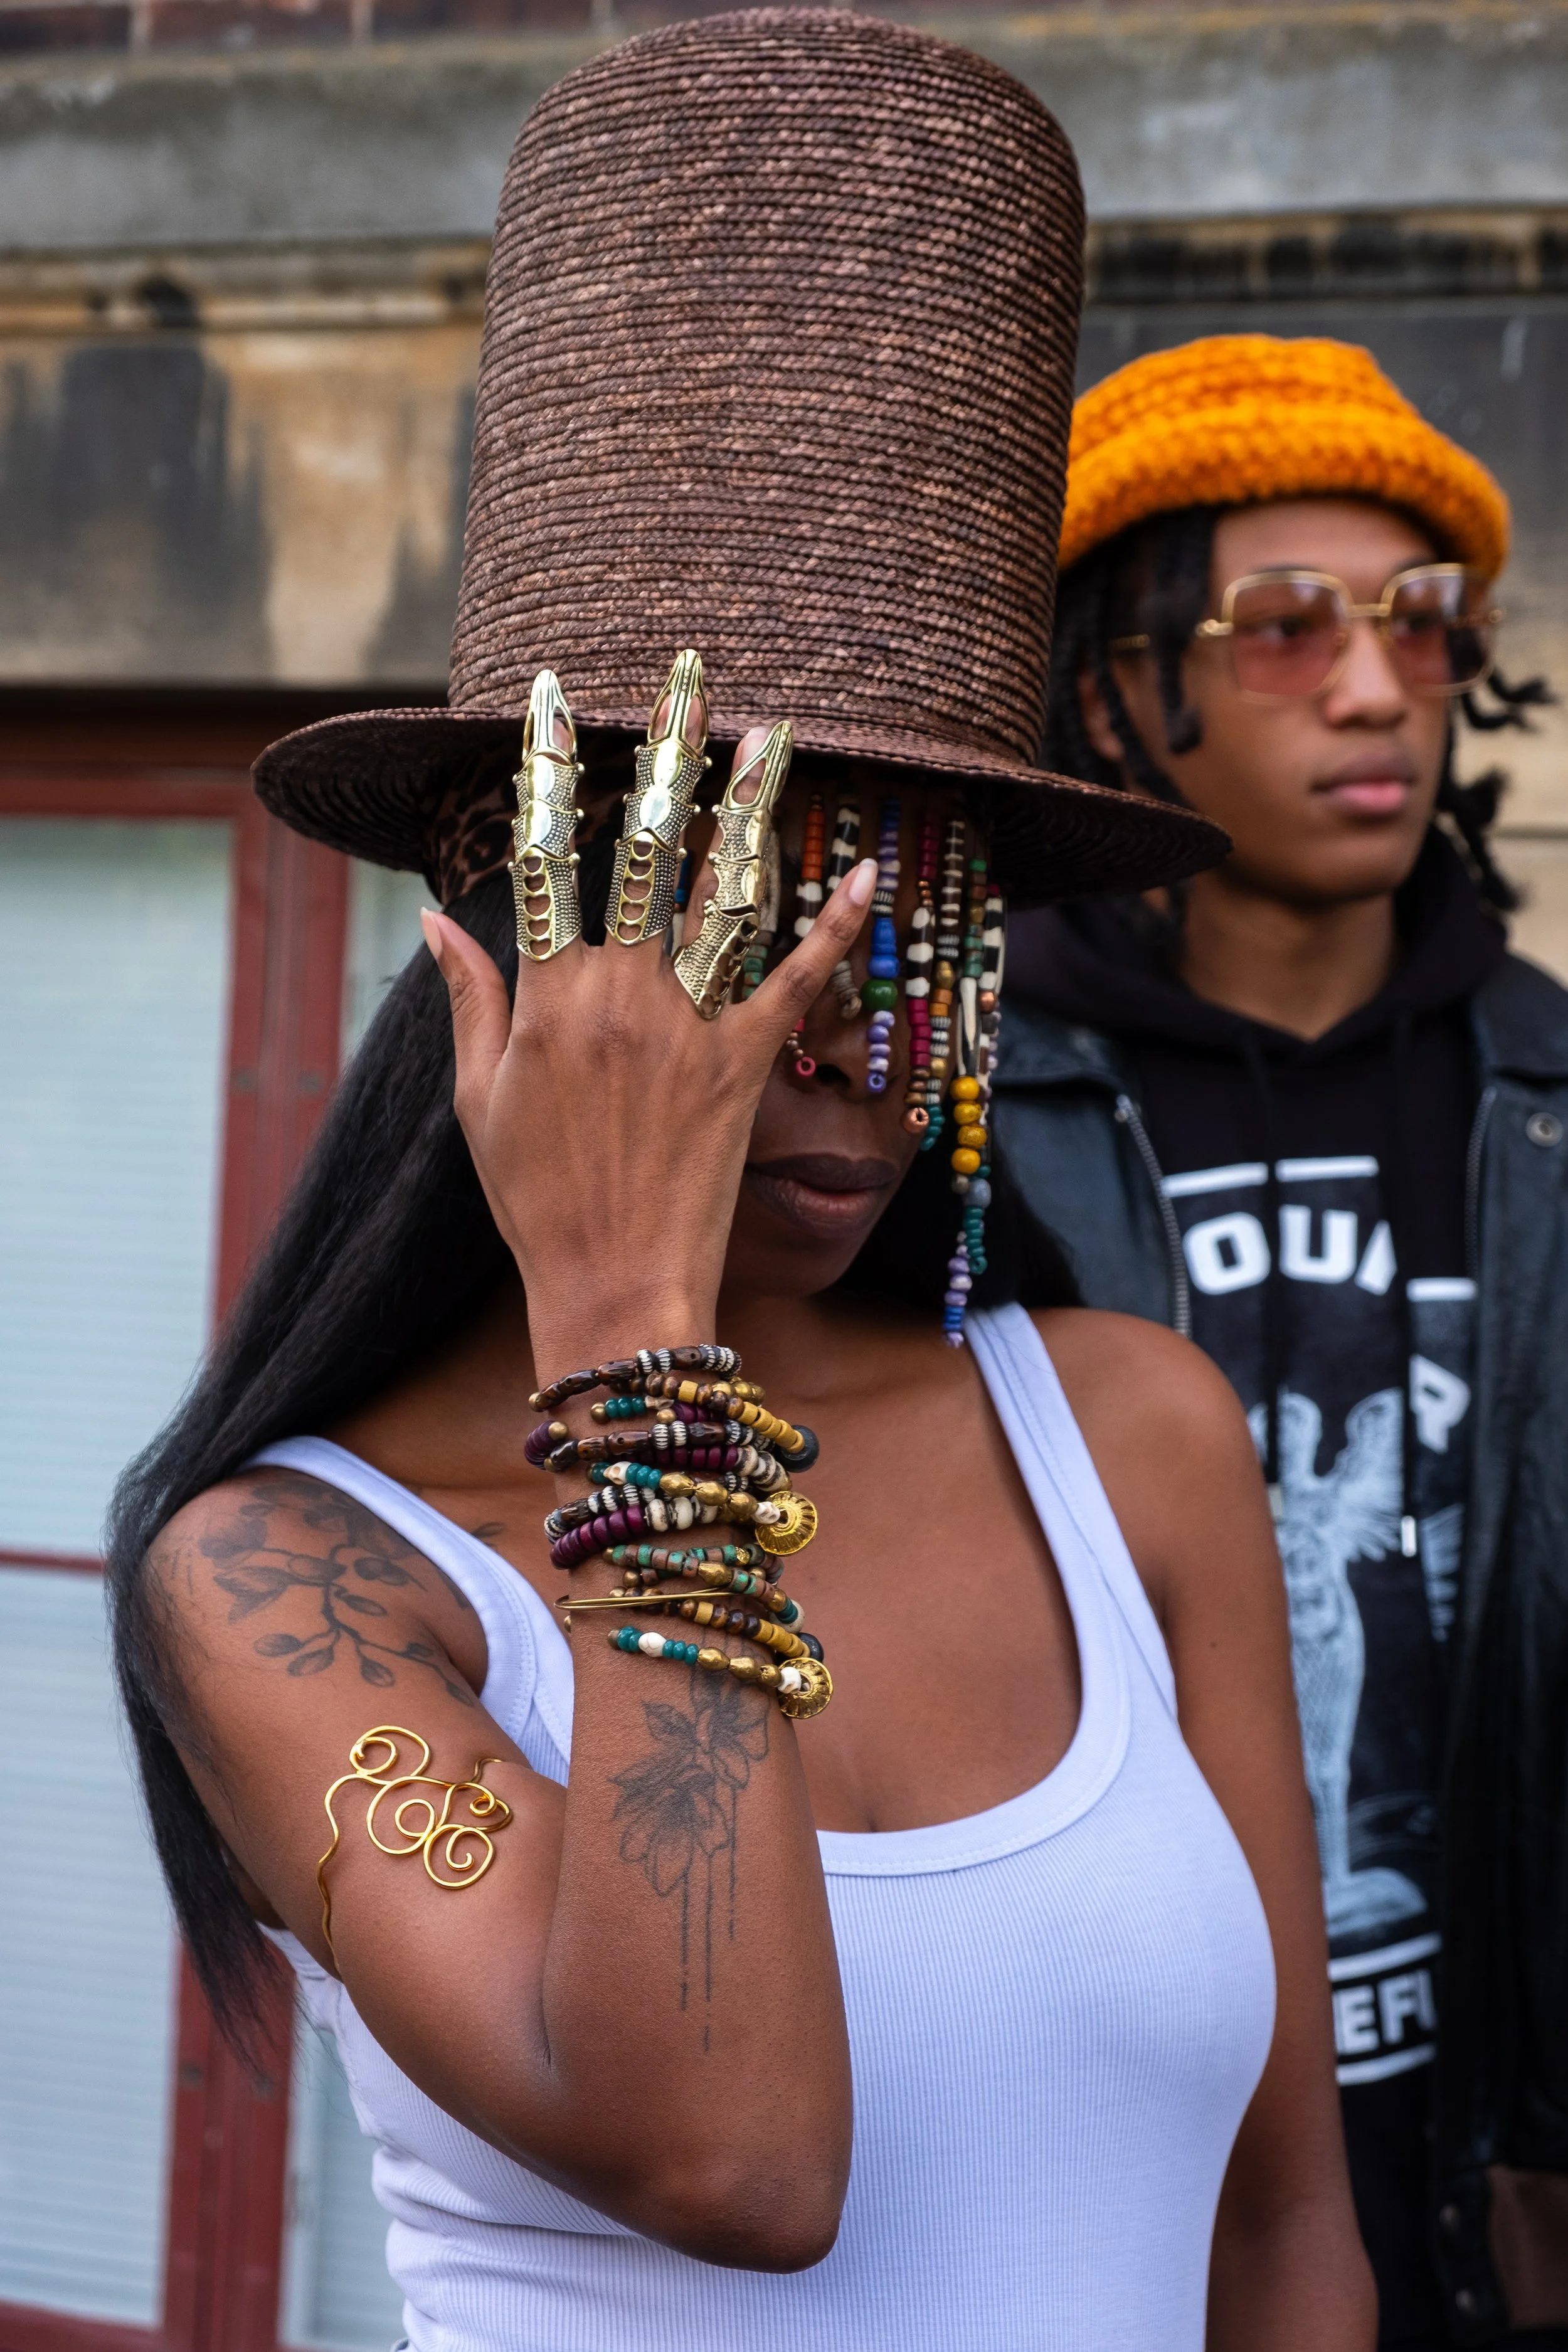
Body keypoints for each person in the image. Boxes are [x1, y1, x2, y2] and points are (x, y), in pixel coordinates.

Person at [109, 28, 1372, 2350]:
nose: (822, 1067)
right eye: (713, 961)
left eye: (910, 968)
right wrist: (627, 1323)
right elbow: (736, 2159)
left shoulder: (1125, 1433)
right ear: (503, 964)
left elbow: (1283, 2230)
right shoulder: (283, 1572)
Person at [1001, 332, 1568, 2349]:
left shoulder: (1547, 1099)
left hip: (1491, 2169)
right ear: (1102, 682)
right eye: (1278, 626)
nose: (1368, 687)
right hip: (1079, 2173)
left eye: (1420, 624)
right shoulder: (937, 1125)